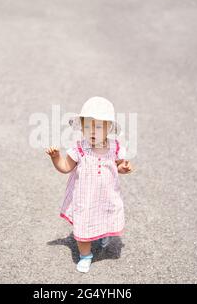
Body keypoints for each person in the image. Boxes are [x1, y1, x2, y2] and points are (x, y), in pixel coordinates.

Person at [45, 96, 134, 273]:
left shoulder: (115, 147)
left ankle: (103, 234)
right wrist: (56, 158)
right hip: (85, 198)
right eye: (88, 126)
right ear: (82, 128)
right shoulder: (79, 149)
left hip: (107, 195)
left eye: (99, 126)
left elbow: (119, 164)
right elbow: (65, 167)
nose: (92, 131)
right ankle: (86, 256)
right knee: (84, 226)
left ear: (109, 128)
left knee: (106, 217)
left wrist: (123, 167)